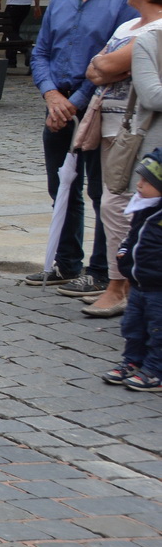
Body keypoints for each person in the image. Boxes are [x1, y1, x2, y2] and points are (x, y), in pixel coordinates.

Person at [29, 0, 138, 290]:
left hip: (100, 109)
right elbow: (40, 52)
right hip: (57, 107)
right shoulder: (59, 1)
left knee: (102, 192)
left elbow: (116, 63)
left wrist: (72, 103)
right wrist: (51, 95)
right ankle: (67, 264)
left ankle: (101, 271)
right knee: (60, 186)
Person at [80, 0, 162, 318]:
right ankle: (121, 283)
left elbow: (108, 65)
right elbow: (94, 69)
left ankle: (123, 286)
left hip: (137, 133)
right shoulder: (129, 27)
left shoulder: (152, 33)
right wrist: (106, 67)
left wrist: (107, 67)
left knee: (123, 206)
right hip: (110, 125)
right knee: (109, 202)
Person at [103, 149, 162, 390]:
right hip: (138, 285)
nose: (138, 185)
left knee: (158, 331)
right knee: (132, 327)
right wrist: (125, 252)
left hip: (158, 289)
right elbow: (132, 236)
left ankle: (156, 370)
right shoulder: (144, 208)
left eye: (146, 181)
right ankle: (133, 361)